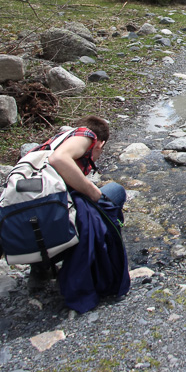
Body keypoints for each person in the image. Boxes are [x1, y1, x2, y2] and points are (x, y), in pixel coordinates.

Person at [27, 116, 130, 312]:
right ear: (101, 144)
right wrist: (93, 192)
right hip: (50, 223)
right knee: (115, 192)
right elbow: (59, 159)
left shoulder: (50, 144)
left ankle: (40, 266)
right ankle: (103, 257)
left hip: (23, 230)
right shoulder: (87, 136)